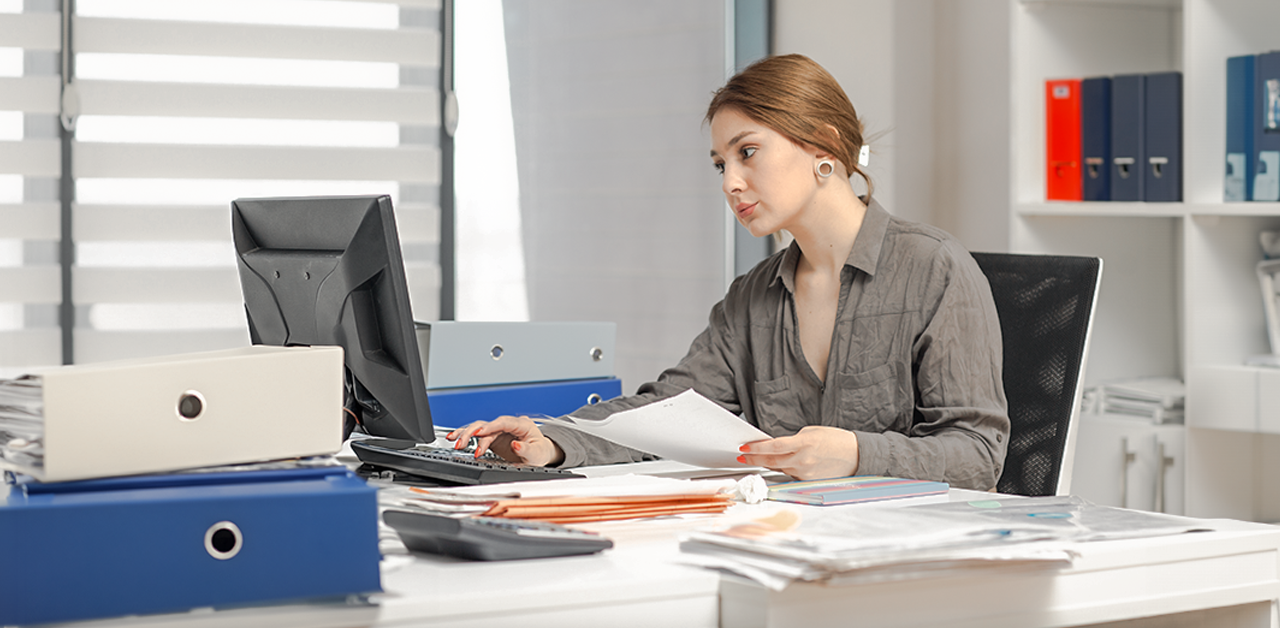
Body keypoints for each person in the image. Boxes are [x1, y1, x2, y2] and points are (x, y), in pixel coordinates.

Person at [447, 54, 1009, 491]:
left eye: (747, 153)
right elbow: (666, 411)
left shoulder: (933, 268)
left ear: (825, 149)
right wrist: (549, 439)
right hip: (785, 541)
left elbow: (979, 454)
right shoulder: (754, 296)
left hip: (910, 554)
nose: (729, 183)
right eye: (721, 164)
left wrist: (857, 454)